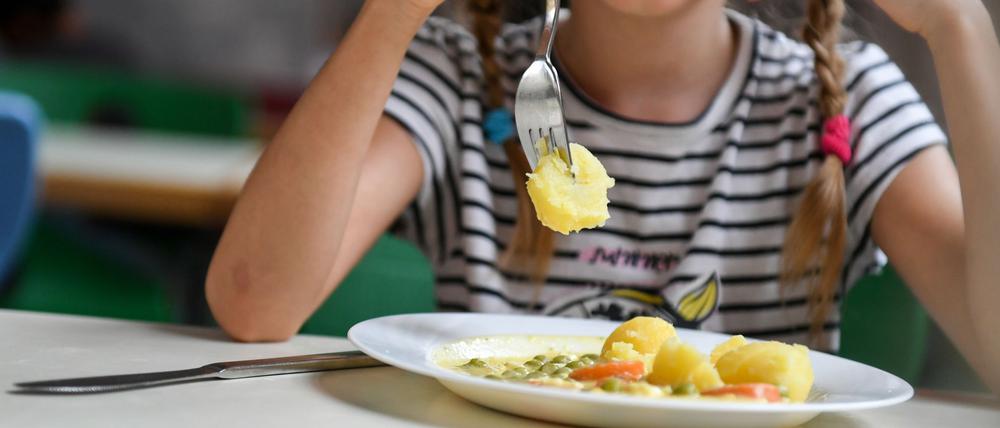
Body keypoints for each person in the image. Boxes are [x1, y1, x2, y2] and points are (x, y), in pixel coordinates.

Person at [205, 0, 1000, 392]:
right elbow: (253, 303)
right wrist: (392, 13)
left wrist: (961, 27)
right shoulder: (459, 75)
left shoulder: (844, 97)